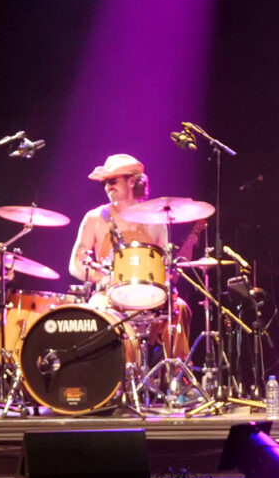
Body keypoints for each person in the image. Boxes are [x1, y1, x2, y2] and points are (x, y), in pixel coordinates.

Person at [69, 153, 192, 358]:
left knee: (179, 308)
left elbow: (166, 266)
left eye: (112, 181)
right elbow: (75, 263)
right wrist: (102, 279)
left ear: (132, 181)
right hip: (108, 296)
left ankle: (178, 380)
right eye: (105, 183)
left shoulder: (156, 219)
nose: (107, 187)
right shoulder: (95, 218)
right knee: (95, 309)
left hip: (149, 296)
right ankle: (113, 381)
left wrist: (167, 284)